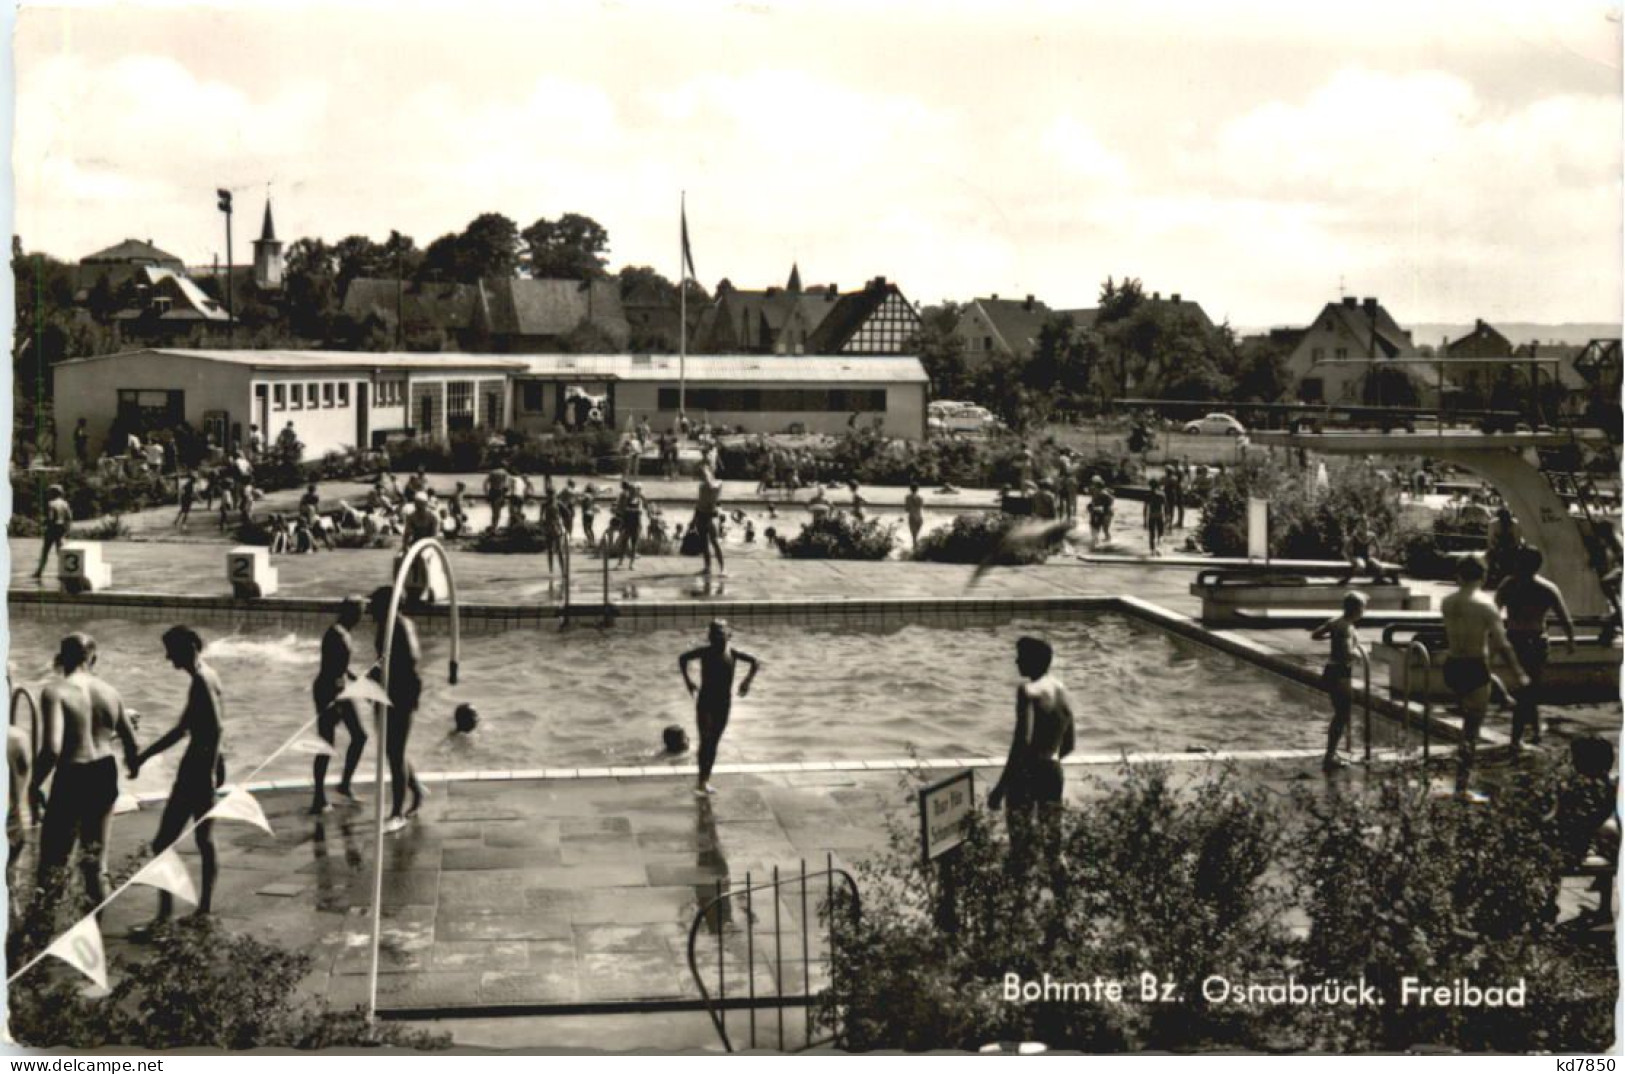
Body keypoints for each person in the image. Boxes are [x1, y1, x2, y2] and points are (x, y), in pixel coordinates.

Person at [31, 634, 140, 917]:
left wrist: (32, 785)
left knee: (53, 863)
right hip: (104, 773)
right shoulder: (110, 691)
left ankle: (39, 940)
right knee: (95, 865)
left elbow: (52, 749)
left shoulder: (55, 692)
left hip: (72, 775)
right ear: (93, 658)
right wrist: (133, 766)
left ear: (60, 659)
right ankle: (94, 942)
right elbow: (132, 744)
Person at [131, 626, 224, 928]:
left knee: (162, 843)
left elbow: (214, 728)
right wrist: (145, 756)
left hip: (195, 771)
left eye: (171, 650)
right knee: (204, 840)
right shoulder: (209, 675)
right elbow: (190, 728)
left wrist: (208, 769)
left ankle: (165, 915)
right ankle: (204, 909)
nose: (168, 657)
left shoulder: (201, 680)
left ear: (188, 647)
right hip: (203, 768)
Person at [1441, 556, 1527, 797]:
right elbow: (1503, 643)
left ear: (1459, 575)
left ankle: (1500, 697)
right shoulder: (1485, 606)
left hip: (1452, 666)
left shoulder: (1447, 602)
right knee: (1471, 733)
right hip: (1474, 666)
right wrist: (1518, 672)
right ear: (1484, 576)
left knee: (1468, 718)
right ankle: (1462, 788)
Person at [987, 637, 1076, 863]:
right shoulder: (1062, 690)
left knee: (1021, 847)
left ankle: (1021, 895)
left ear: (1033, 661)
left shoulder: (1027, 691)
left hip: (1027, 773)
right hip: (1053, 771)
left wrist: (1001, 786)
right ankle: (1062, 894)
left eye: (1021, 656)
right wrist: (1048, 760)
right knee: (1053, 846)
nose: (1017, 661)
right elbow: (1070, 744)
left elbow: (1022, 742)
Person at [1495, 546, 1577, 751]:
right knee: (1530, 688)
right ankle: (1532, 732)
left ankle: (1519, 737)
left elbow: (1493, 614)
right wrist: (1570, 640)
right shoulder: (1547, 588)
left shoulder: (1508, 585)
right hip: (1535, 640)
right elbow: (1565, 619)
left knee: (1526, 690)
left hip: (1516, 640)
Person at [678, 620, 761, 796]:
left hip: (724, 703)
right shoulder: (705, 652)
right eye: (714, 637)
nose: (718, 641)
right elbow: (682, 659)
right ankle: (701, 781)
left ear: (729, 636)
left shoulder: (733, 653)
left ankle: (705, 779)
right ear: (709, 638)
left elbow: (755, 662)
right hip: (706, 702)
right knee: (705, 739)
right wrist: (688, 682)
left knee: (714, 742)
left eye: (721, 637)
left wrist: (746, 682)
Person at [369, 587, 427, 832]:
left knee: (396, 752)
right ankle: (417, 790)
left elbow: (411, 660)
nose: (370, 608)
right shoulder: (388, 624)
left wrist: (389, 681)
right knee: (393, 750)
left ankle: (397, 813)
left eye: (374, 603)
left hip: (400, 695)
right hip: (388, 693)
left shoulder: (400, 625)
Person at [1553, 736, 1619, 926]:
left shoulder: (1575, 789)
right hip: (1597, 846)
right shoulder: (1609, 787)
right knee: (1604, 838)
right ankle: (1604, 908)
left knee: (1546, 849)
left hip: (1572, 849)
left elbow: (1559, 819)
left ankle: (1549, 906)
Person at [310, 598, 368, 815]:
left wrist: (358, 678)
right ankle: (319, 798)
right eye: (361, 613)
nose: (362, 618)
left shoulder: (342, 632)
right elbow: (333, 671)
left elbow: (341, 668)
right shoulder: (339, 635)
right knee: (326, 745)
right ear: (351, 613)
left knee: (360, 736)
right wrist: (334, 703)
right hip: (330, 693)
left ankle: (344, 784)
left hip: (339, 690)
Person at [1311, 593, 1368, 773]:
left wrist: (1331, 639)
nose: (1364, 611)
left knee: (1340, 714)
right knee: (1342, 715)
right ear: (1357, 609)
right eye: (1363, 607)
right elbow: (1346, 654)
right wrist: (1359, 654)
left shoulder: (1335, 622)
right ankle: (1330, 756)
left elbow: (1316, 635)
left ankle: (1332, 753)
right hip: (1340, 673)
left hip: (1330, 670)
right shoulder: (1347, 628)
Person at [34, 484, 72, 580]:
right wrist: (66, 529)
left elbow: (51, 518)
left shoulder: (51, 503)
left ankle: (39, 572)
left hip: (52, 529)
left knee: (45, 551)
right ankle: (64, 572)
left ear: (53, 493)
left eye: (49, 492)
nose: (48, 494)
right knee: (60, 552)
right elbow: (69, 517)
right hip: (61, 529)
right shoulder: (65, 504)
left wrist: (43, 523)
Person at [539, 477, 569, 579]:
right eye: (549, 494)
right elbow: (541, 518)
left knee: (559, 550)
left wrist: (563, 524)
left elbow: (567, 513)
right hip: (548, 528)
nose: (550, 496)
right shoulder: (544, 504)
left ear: (555, 494)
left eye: (552, 494)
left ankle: (563, 570)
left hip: (557, 527)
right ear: (547, 495)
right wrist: (542, 525)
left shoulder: (558, 503)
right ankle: (551, 570)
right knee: (550, 550)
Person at [1486, 508, 1521, 588]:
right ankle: (1489, 578)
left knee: (1513, 559)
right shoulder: (1493, 524)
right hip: (1497, 546)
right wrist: (1494, 549)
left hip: (1511, 547)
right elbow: (1490, 539)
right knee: (1490, 557)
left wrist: (1510, 549)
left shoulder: (1515, 524)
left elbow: (1517, 541)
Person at [1086, 476, 1115, 550]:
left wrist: (1100, 507)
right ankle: (1098, 541)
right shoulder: (1095, 492)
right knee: (1096, 526)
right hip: (1099, 512)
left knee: (1105, 529)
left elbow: (1110, 501)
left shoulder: (1104, 493)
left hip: (1106, 513)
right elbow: (1093, 502)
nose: (1092, 486)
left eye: (1094, 485)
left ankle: (1107, 542)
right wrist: (1091, 506)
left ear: (1098, 486)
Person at [1143, 477, 1168, 556]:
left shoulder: (1147, 495)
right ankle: (1159, 547)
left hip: (1151, 515)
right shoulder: (1162, 495)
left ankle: (1152, 550)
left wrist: (1144, 520)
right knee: (1161, 534)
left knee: (1152, 534)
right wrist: (1167, 517)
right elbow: (1166, 507)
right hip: (1160, 514)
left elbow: (1145, 509)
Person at [484, 467, 509, 532]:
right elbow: (506, 486)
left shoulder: (492, 472)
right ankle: (495, 527)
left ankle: (493, 527)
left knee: (494, 512)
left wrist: (486, 493)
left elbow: (485, 483)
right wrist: (504, 495)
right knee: (498, 512)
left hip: (492, 492)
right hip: (499, 492)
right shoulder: (504, 472)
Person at [904, 483, 926, 549]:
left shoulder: (907, 497)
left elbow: (906, 509)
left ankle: (914, 547)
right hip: (919, 516)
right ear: (917, 489)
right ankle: (916, 547)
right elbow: (921, 506)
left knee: (913, 535)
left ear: (910, 489)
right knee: (916, 534)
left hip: (912, 516)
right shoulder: (920, 497)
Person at [1165, 462, 1186, 529]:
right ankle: (1175, 522)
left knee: (1173, 507)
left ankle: (1177, 522)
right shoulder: (1175, 479)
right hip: (1176, 492)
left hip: (1176, 492)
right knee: (1174, 507)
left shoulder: (1175, 478)